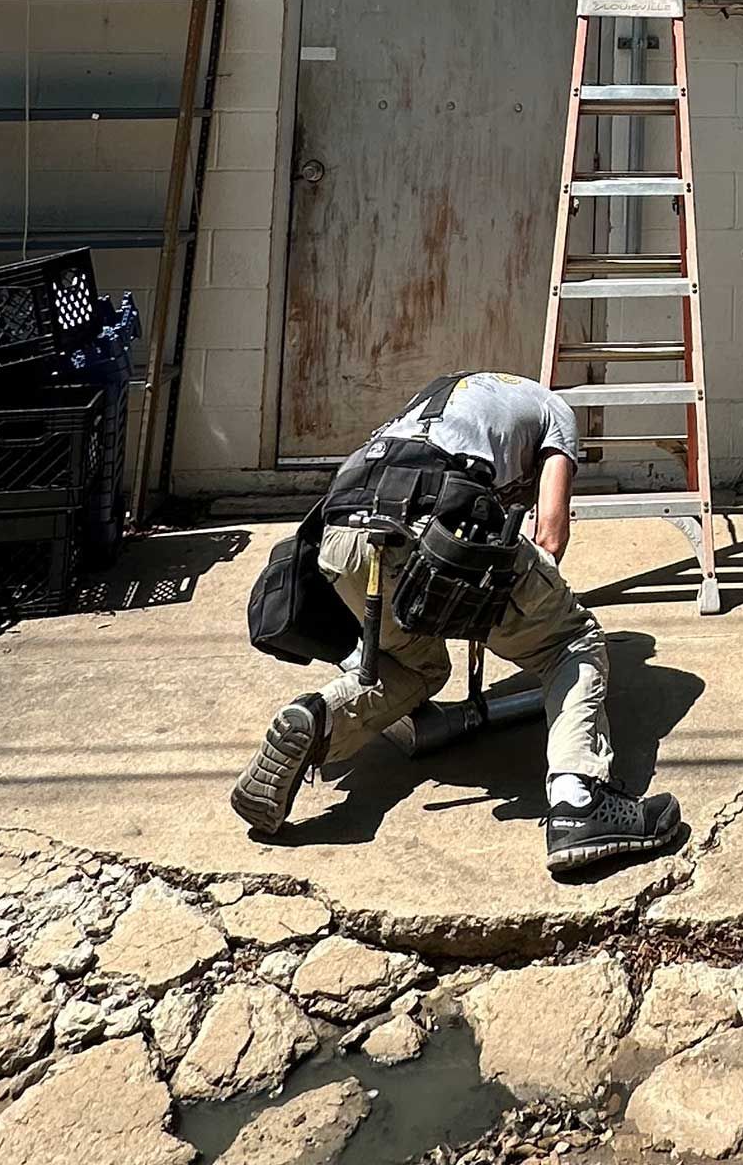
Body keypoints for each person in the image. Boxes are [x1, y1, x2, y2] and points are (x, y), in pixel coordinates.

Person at [229, 371, 679, 875]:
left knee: (413, 666)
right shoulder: (555, 410)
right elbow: (549, 538)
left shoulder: (440, 398)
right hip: (430, 517)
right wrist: (519, 608)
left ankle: (318, 719)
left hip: (340, 532)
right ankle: (581, 801)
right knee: (571, 642)